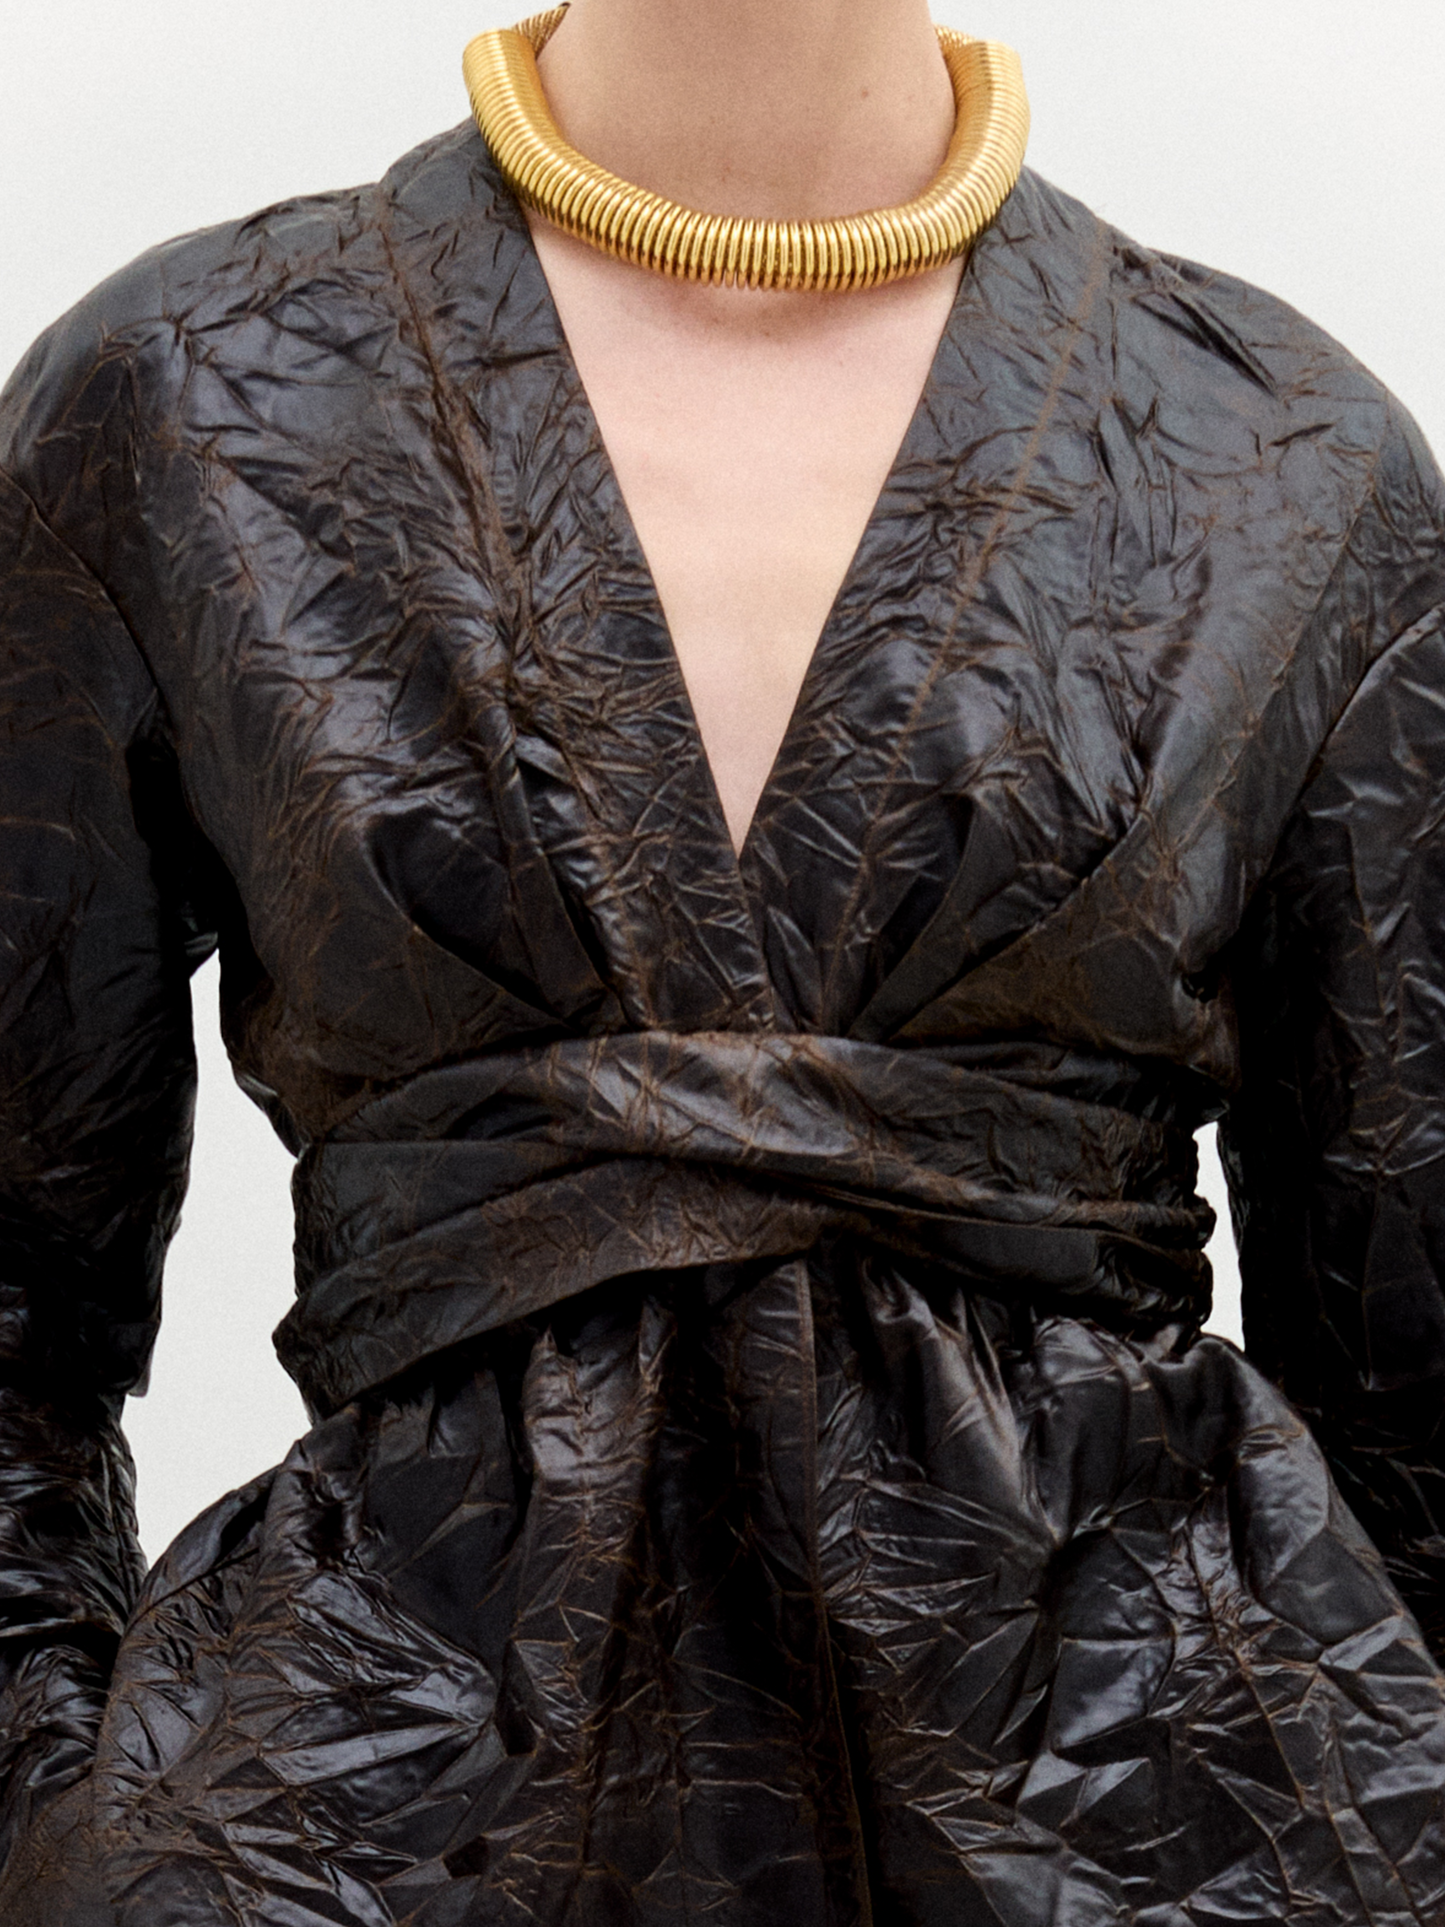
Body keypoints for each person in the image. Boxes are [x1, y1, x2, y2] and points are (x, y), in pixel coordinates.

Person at [0, 0, 1442, 1919]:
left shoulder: (1290, 457)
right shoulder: (174, 402)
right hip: (366, 1826)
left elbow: (1417, 1376)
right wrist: (61, 1830)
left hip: (1176, 1827)